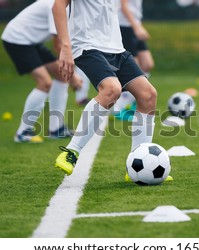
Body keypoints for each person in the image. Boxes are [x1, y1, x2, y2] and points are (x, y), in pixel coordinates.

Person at [52, 0, 173, 182]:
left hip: (116, 48)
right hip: (87, 46)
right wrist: (65, 47)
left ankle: (135, 164)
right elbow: (58, 5)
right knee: (111, 89)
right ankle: (71, 151)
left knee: (148, 95)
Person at [1, 0, 90, 143]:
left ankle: (56, 129)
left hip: (31, 41)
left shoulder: (71, 6)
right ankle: (23, 133)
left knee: (61, 76)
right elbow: (59, 46)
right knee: (45, 83)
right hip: (16, 39)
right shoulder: (57, 5)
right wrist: (73, 77)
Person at [112, 0, 154, 119]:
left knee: (147, 64)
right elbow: (123, 6)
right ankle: (120, 107)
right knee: (131, 68)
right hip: (125, 26)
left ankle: (132, 99)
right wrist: (137, 27)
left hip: (134, 25)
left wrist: (138, 25)